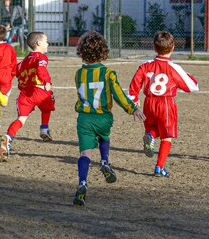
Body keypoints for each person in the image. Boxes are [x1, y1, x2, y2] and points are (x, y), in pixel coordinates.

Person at [72, 31, 146, 206]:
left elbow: (80, 96)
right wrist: (132, 109)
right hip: (103, 117)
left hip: (84, 117)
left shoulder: (78, 74)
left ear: (81, 52)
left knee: (85, 153)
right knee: (104, 137)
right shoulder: (108, 73)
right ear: (104, 52)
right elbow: (119, 95)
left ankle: (82, 182)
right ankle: (104, 161)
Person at [128, 31, 199, 177]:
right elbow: (192, 86)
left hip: (149, 103)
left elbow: (133, 88)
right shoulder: (174, 68)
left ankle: (150, 135)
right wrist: (187, 76)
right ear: (173, 48)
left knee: (155, 129)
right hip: (166, 104)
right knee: (167, 136)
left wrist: (135, 103)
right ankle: (159, 168)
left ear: (154, 47)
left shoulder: (145, 65)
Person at [0, 32, 55, 162]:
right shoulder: (41, 57)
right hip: (39, 90)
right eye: (46, 41)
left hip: (24, 94)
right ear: (38, 43)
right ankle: (44, 129)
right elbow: (41, 70)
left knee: (21, 119)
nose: (48, 43)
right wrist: (46, 81)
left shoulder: (23, 60)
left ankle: (8, 137)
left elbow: (16, 73)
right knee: (48, 102)